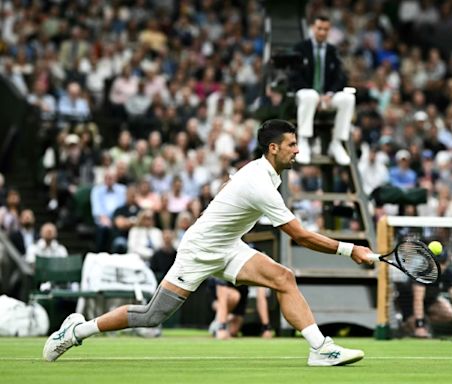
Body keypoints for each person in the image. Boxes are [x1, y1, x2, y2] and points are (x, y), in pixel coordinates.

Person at [43, 119, 374, 366]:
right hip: (199, 250)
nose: (298, 150)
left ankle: (320, 348)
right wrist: (350, 249)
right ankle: (75, 332)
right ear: (273, 148)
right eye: (291, 144)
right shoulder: (259, 182)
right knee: (152, 315)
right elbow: (299, 235)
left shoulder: (265, 174)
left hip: (229, 246)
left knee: (282, 277)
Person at [291, 15, 352, 165]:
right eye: (319, 28)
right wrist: (316, 95)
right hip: (304, 95)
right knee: (310, 96)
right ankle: (303, 140)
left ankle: (336, 143)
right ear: (313, 28)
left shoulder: (332, 51)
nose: (322, 32)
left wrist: (329, 94)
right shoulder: (300, 48)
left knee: (348, 98)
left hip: (326, 97)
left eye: (325, 29)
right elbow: (293, 76)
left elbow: (341, 77)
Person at [398, 250, 452, 341]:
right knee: (418, 332)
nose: (440, 266)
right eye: (437, 263)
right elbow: (418, 300)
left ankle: (424, 323)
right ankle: (406, 325)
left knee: (448, 314)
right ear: (430, 262)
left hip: (430, 303)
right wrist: (419, 326)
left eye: (442, 263)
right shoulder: (422, 272)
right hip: (409, 305)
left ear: (447, 262)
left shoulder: (448, 275)